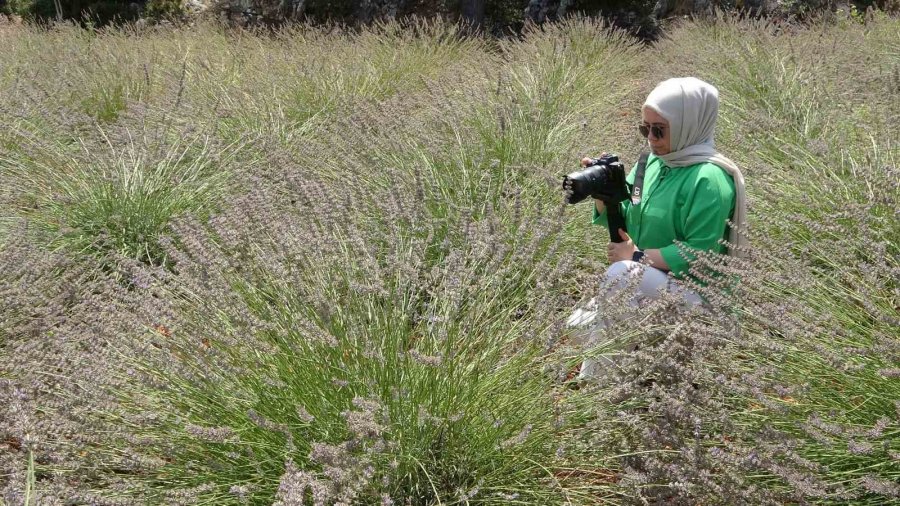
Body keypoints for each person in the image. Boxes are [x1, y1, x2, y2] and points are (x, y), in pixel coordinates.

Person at [568, 77, 748, 382]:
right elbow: (629, 217)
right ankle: (647, 362)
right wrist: (604, 197)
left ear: (689, 124)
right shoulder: (651, 163)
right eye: (645, 128)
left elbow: (700, 254)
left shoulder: (709, 179)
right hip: (656, 284)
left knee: (621, 274)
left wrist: (637, 257)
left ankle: (600, 387)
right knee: (576, 327)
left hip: (698, 298)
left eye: (659, 129)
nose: (650, 137)